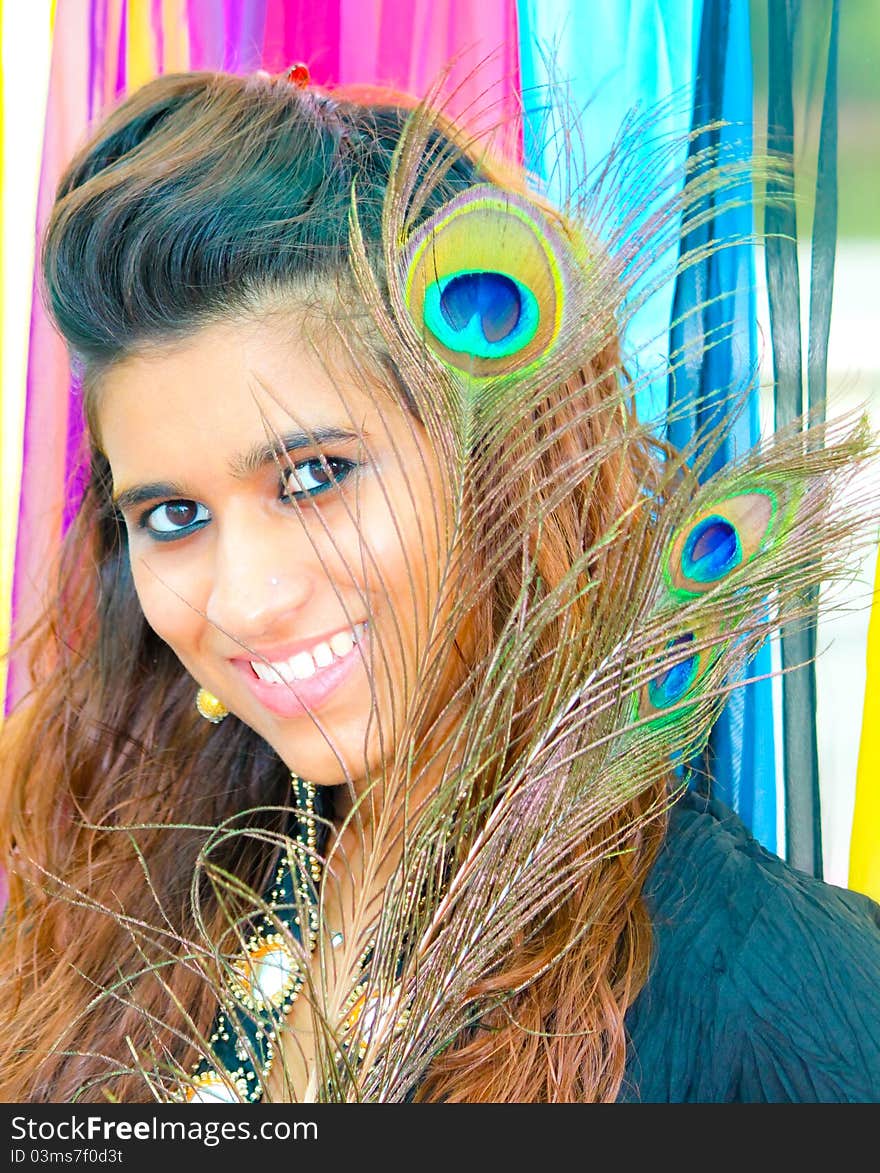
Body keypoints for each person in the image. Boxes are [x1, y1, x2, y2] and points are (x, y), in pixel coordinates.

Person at [1, 69, 879, 1105]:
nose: (245, 602)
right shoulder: (139, 898)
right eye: (174, 517)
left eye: (315, 477)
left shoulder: (794, 997)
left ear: (497, 459)